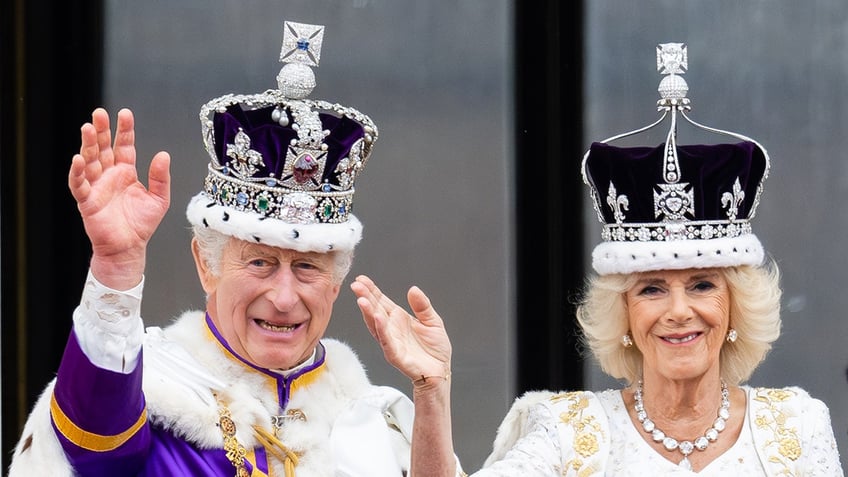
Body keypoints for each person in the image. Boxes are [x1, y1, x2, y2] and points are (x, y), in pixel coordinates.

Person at [351, 45, 844, 476]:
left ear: (736, 305)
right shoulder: (567, 431)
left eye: (702, 284)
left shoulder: (795, 428)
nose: (678, 310)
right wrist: (432, 388)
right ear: (623, 314)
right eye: (651, 288)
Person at [8, 20, 441, 476]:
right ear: (205, 264)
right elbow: (93, 441)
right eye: (260, 262)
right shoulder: (151, 393)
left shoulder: (374, 426)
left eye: (309, 268)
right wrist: (116, 269)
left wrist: (433, 392)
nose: (284, 297)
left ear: (335, 286)